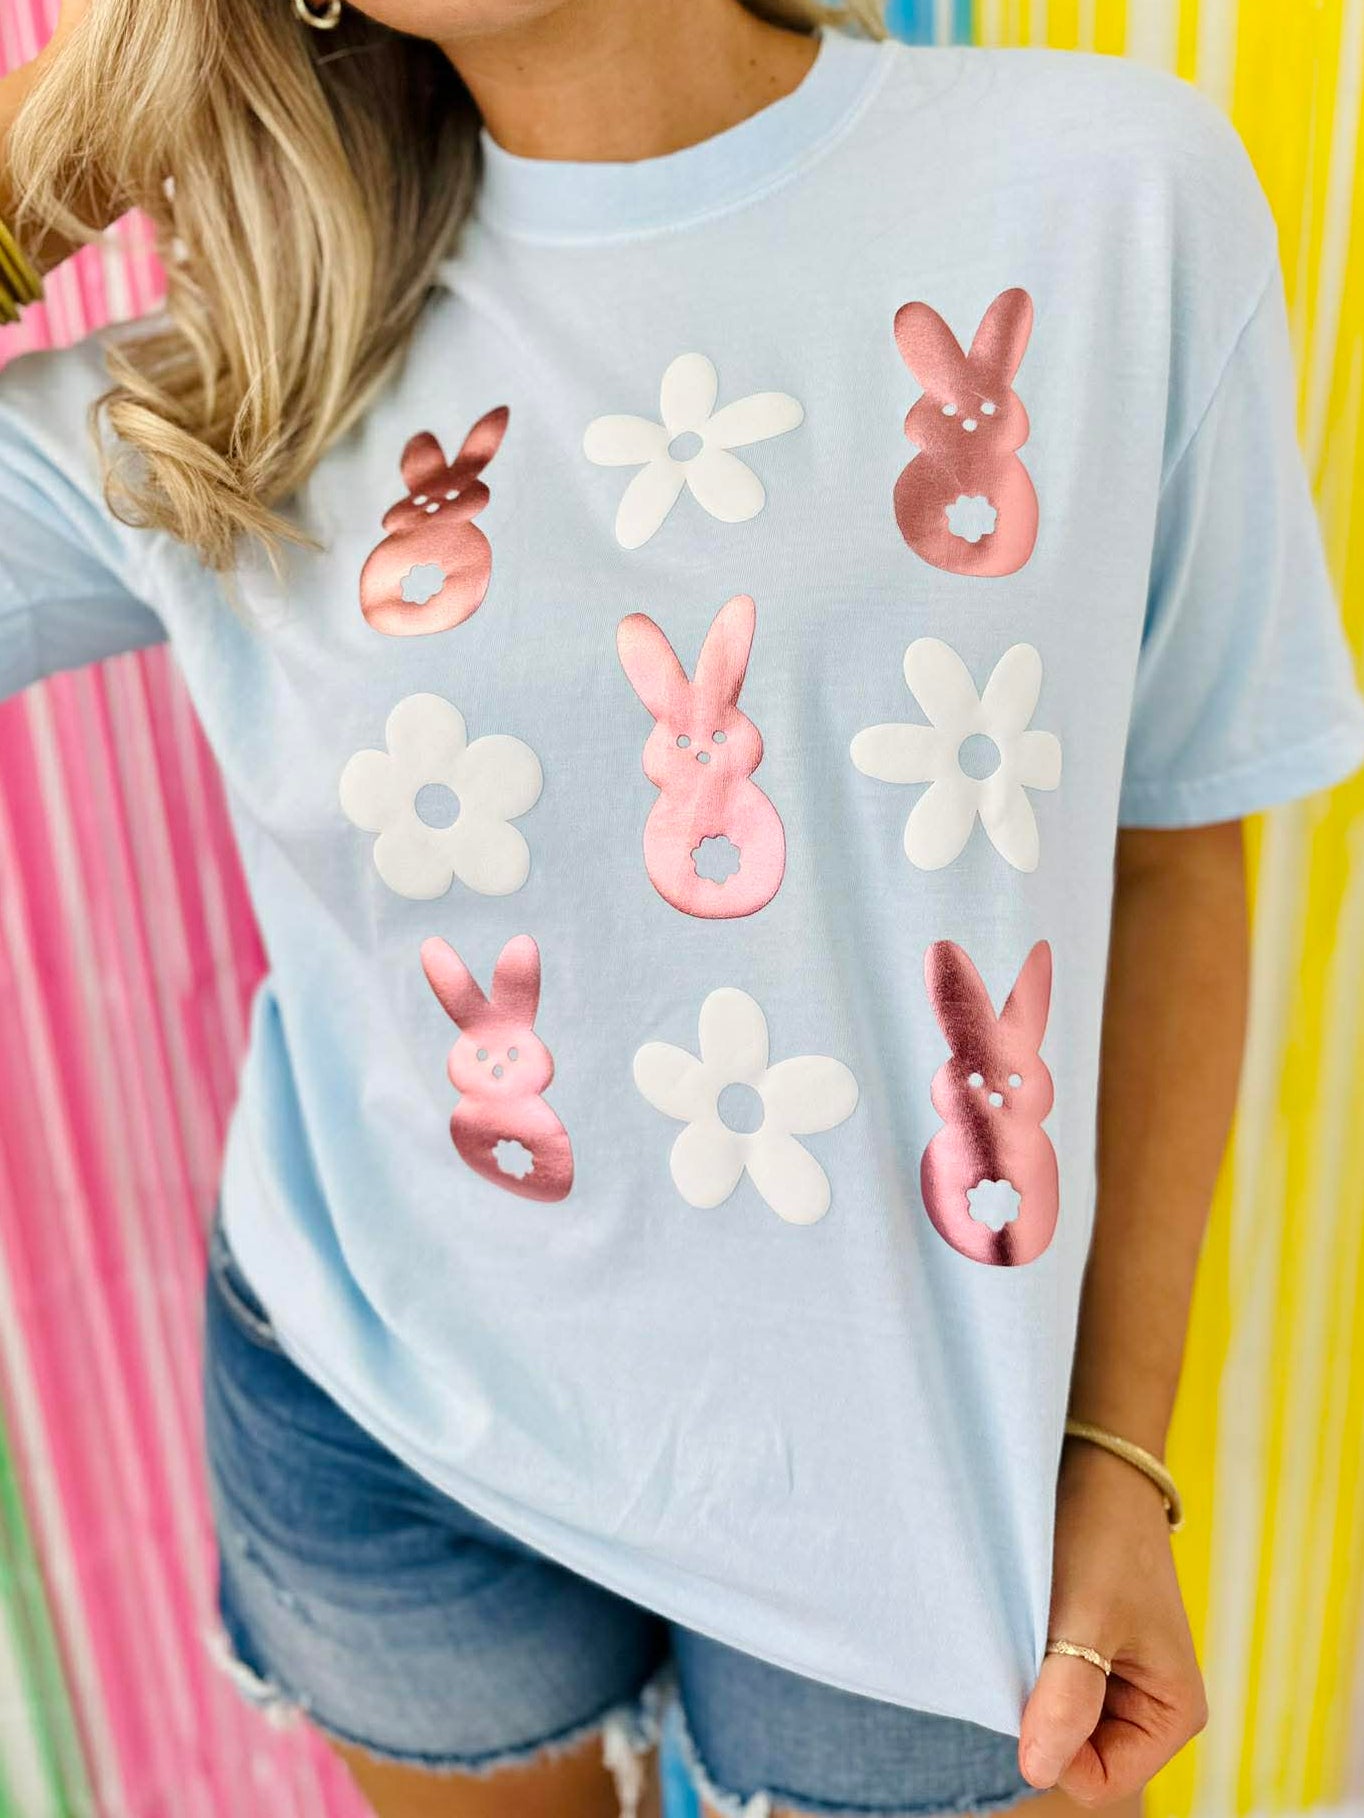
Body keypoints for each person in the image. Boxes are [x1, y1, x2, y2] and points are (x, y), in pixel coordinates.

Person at [3, 1, 1362, 1814]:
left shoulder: (1109, 193)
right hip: (392, 1430)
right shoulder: (230, 380)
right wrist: (101, 116)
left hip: (928, 1481)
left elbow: (1175, 842)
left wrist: (1115, 1448)